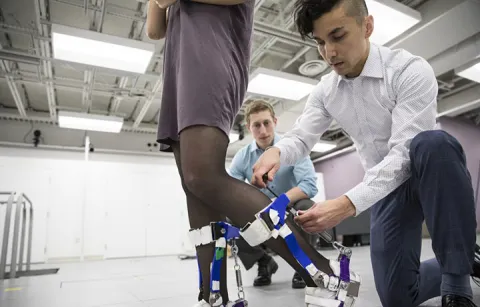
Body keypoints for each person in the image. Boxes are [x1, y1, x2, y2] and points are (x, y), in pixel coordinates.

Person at [251, 1, 479, 307]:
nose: (329, 53)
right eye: (320, 42)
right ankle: (467, 257)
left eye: (338, 36)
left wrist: (347, 204)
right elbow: (302, 137)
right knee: (397, 297)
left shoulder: (409, 70)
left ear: (367, 27)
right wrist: (277, 151)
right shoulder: (325, 91)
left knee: (433, 143)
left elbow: (404, 154)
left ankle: (457, 286)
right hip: (384, 187)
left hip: (428, 171)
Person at [146, 1, 359, 307]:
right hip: (178, 70)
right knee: (194, 188)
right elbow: (155, 29)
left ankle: (324, 274)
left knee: (203, 176)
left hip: (210, 56)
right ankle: (212, 296)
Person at [228, 100, 319, 289]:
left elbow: (309, 185)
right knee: (230, 217)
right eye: (256, 125)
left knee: (307, 207)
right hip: (260, 211)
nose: (263, 130)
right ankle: (264, 262)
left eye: (266, 123)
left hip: (291, 207)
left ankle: (303, 265)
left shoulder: (293, 148)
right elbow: (230, 191)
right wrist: (249, 191)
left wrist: (280, 202)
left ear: (275, 122)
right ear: (249, 127)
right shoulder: (242, 157)